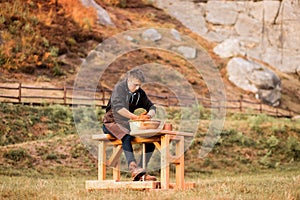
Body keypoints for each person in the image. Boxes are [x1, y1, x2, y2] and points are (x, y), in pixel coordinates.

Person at [102, 69, 157, 181]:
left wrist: (149, 116)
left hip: (127, 124)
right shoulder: (119, 88)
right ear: (129, 79)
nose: (137, 88)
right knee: (126, 136)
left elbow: (152, 107)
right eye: (135, 85)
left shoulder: (139, 93)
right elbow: (118, 109)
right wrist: (135, 117)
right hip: (111, 122)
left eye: (139, 85)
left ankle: (141, 173)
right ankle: (133, 167)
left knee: (151, 142)